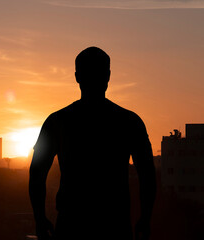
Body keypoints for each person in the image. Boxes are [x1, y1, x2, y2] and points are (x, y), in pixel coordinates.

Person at [29, 47, 156, 240]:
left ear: (77, 76)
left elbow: (37, 174)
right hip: (114, 225)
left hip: (73, 225)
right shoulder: (129, 122)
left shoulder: (57, 122)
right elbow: (147, 175)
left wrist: (39, 218)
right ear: (108, 76)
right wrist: (145, 219)